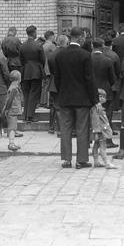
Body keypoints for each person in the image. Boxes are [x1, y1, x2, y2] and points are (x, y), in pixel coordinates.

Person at [54, 27, 98, 169]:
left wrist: (61, 92)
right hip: (82, 98)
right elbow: (89, 79)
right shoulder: (85, 55)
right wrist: (94, 99)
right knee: (82, 129)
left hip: (65, 97)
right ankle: (81, 159)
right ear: (80, 38)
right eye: (84, 37)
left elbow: (57, 79)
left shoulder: (60, 55)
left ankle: (66, 159)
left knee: (65, 129)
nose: (84, 39)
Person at [91, 38, 117, 146]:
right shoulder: (108, 60)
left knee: (92, 115)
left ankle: (92, 139)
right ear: (102, 46)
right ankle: (108, 140)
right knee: (107, 116)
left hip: (91, 90)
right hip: (106, 91)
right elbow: (113, 79)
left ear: (92, 46)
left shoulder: (88, 59)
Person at [20, 25, 45, 123]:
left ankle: (25, 115)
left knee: (26, 94)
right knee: (34, 94)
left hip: (25, 71)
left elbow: (21, 60)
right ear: (34, 33)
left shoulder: (22, 46)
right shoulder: (38, 45)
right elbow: (42, 60)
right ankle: (30, 116)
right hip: (36, 72)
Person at [47, 34, 69, 135]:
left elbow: (51, 70)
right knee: (63, 107)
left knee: (53, 106)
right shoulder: (67, 53)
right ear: (66, 42)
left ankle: (51, 127)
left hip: (53, 82)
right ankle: (61, 130)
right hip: (65, 82)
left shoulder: (52, 54)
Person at [91, 88, 118, 169]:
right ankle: (107, 163)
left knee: (96, 145)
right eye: (100, 96)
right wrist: (97, 131)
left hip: (101, 129)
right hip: (101, 131)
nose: (102, 98)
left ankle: (96, 161)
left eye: (104, 96)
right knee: (103, 147)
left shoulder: (98, 107)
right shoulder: (97, 108)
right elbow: (95, 120)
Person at [3, 70, 23, 151]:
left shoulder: (13, 87)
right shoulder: (14, 88)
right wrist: (6, 109)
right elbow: (9, 100)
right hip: (12, 111)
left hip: (12, 110)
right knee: (12, 128)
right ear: (19, 79)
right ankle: (11, 144)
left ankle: (12, 143)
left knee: (13, 127)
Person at [40, 30, 56, 108]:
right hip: (49, 68)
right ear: (51, 36)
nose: (54, 37)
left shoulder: (42, 45)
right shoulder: (52, 46)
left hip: (43, 68)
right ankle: (48, 103)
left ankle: (42, 102)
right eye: (54, 36)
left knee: (44, 85)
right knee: (49, 85)